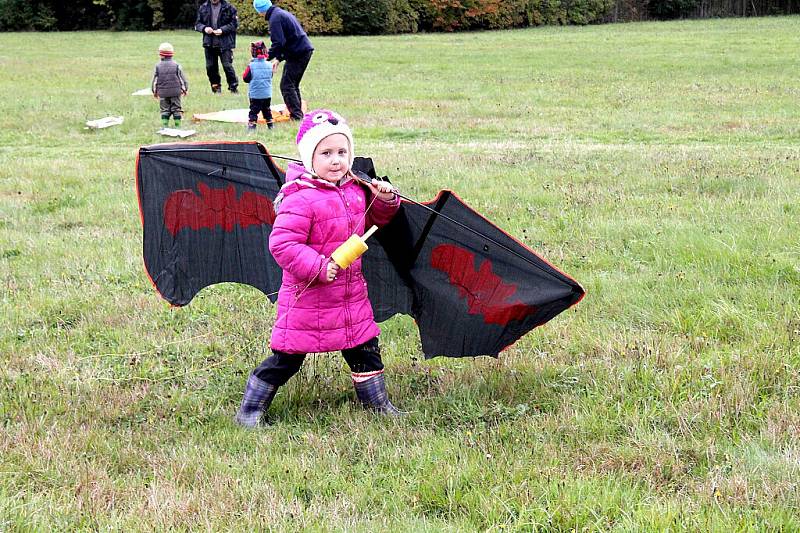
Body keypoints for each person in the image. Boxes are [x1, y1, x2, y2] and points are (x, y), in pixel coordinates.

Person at [235, 109, 402, 427]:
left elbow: (376, 222)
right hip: (309, 295)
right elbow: (282, 244)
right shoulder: (299, 198)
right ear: (309, 158)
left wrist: (383, 200)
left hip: (350, 294)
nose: (336, 160)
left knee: (364, 347)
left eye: (342, 152)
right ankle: (250, 410)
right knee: (288, 358)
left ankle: (378, 405)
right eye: (326, 153)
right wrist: (317, 267)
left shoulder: (355, 190)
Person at [253, 0, 314, 120]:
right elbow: (286, 40)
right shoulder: (279, 13)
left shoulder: (275, 19)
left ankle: (296, 117)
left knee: (287, 85)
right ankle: (297, 114)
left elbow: (278, 43)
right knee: (292, 84)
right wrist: (278, 59)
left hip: (298, 53)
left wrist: (264, 58)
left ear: (260, 11)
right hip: (301, 51)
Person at [194, 0, 239, 94]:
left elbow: (234, 24)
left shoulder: (229, 7)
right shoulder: (203, 7)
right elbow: (197, 24)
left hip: (225, 43)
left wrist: (222, 30)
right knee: (210, 67)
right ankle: (216, 88)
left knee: (227, 66)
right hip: (209, 43)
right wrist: (204, 28)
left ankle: (233, 87)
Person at [151, 43, 188, 128]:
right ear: (172, 54)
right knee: (176, 109)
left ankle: (165, 125)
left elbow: (154, 81)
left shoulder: (158, 66)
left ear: (160, 55)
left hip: (162, 92)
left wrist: (154, 91)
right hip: (176, 92)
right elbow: (182, 78)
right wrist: (185, 89)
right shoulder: (176, 65)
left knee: (164, 109)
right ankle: (178, 126)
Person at [242, 41, 274, 130]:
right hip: (267, 94)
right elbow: (271, 75)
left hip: (255, 95)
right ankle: (271, 125)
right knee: (267, 110)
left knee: (254, 111)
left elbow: (245, 78)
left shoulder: (251, 66)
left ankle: (252, 126)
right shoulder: (269, 65)